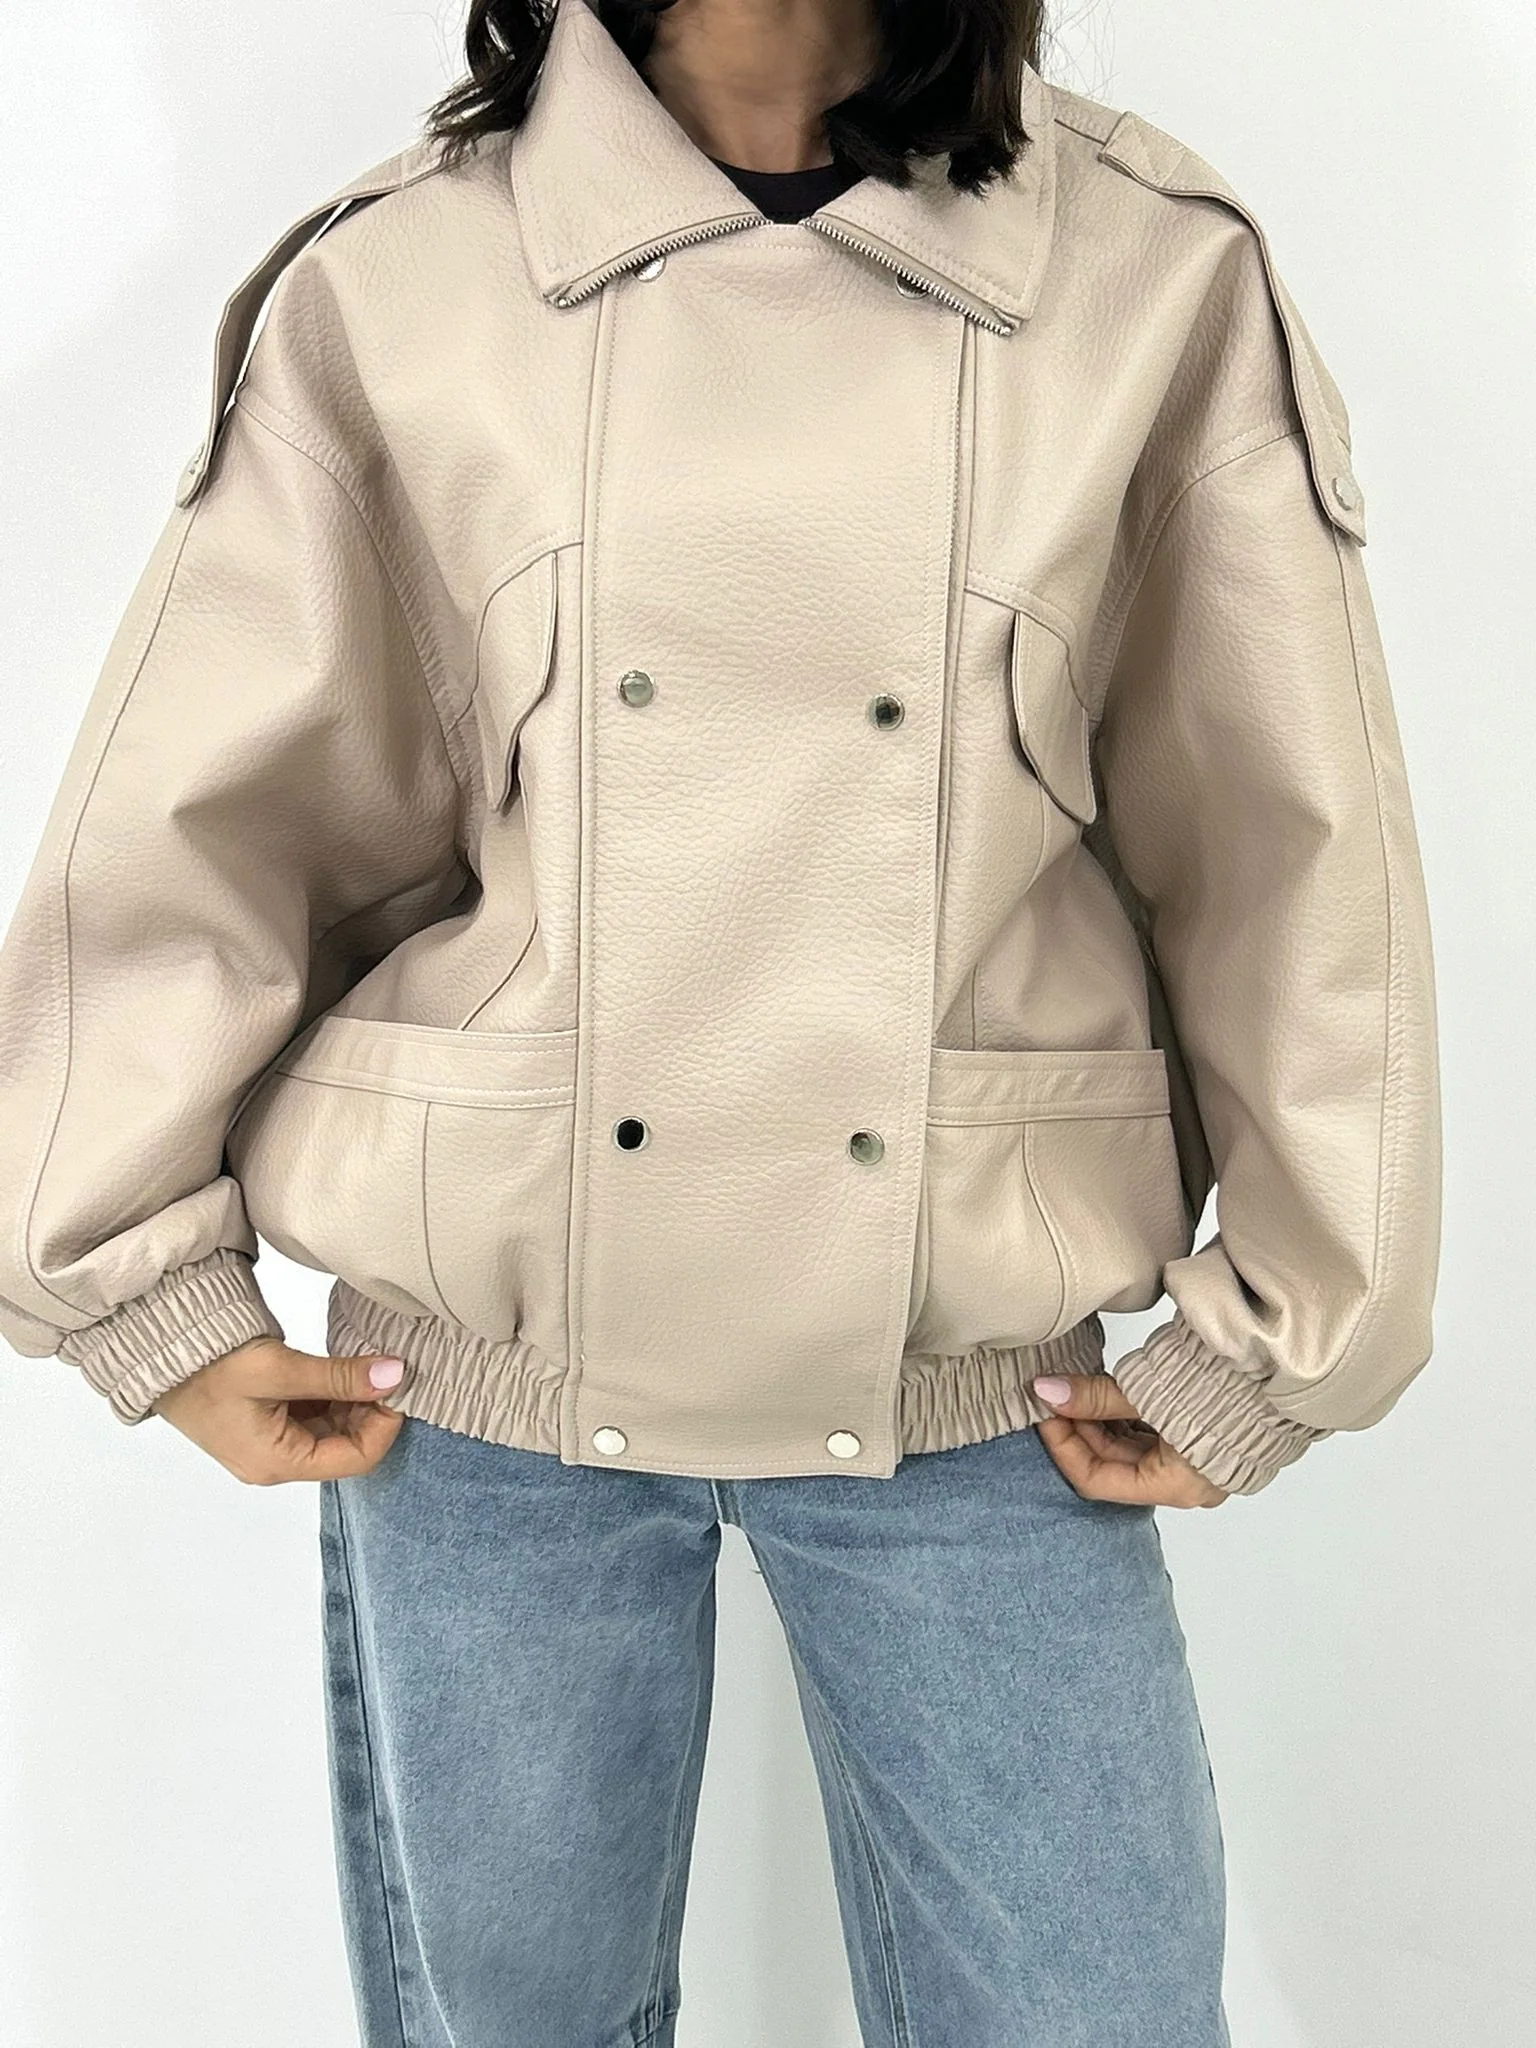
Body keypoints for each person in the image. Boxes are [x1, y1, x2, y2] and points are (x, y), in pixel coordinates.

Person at [0, 0, 1441, 2040]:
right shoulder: (401, 280)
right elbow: (209, 814)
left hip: (978, 1387)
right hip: (481, 1384)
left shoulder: (1150, 277)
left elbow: (1291, 850)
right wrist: (141, 1285)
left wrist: (1284, 1334)